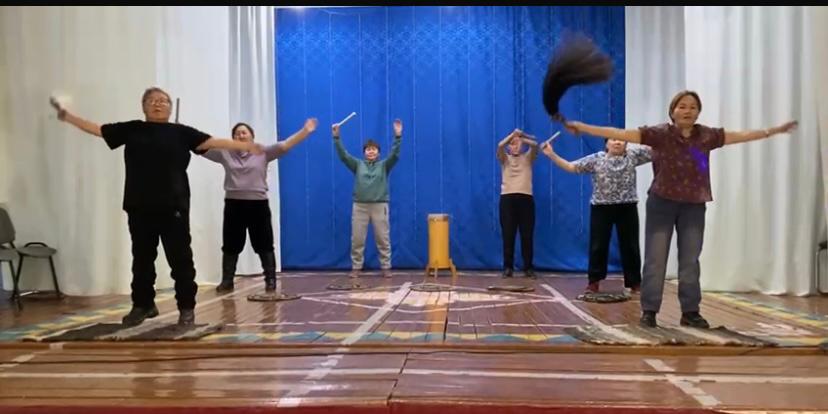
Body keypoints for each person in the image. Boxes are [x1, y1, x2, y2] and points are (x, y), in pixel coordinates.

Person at [563, 90, 798, 328]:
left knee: (690, 261)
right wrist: (584, 127)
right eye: (682, 106)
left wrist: (771, 131)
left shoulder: (706, 136)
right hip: (661, 203)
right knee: (655, 259)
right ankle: (649, 311)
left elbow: (738, 136)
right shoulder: (659, 134)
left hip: (694, 205)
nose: (688, 111)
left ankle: (690, 312)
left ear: (698, 112)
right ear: (673, 111)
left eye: (693, 107)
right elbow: (621, 134)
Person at [50, 87, 263, 327]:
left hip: (174, 207)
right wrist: (68, 117)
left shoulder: (181, 132)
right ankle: (143, 305)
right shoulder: (132, 129)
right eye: (151, 101)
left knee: (181, 261)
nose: (157, 104)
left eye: (163, 101)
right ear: (143, 106)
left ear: (170, 107)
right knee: (142, 260)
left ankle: (186, 308)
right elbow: (99, 130)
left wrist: (244, 145)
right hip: (139, 206)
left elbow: (212, 141)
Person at [203, 118, 318, 293]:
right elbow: (202, 148)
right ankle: (227, 280)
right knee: (231, 244)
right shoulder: (225, 153)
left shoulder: (263, 152)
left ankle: (270, 280)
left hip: (258, 205)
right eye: (237, 134)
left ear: (252, 136)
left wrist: (305, 131)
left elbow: (285, 145)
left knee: (264, 243)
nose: (241, 136)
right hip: (234, 205)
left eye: (244, 132)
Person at [542, 137, 651, 293]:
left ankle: (635, 283)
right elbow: (572, 167)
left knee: (630, 245)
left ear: (626, 143)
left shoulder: (633, 155)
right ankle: (594, 282)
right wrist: (551, 154)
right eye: (613, 139)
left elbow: (658, 150)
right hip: (601, 207)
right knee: (598, 245)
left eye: (621, 140)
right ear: (606, 143)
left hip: (627, 206)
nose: (617, 142)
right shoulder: (596, 159)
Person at [333, 119, 402, 279]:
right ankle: (356, 267)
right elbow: (344, 156)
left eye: (374, 149)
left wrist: (398, 137)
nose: (371, 152)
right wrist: (336, 138)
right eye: (368, 149)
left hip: (380, 206)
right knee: (357, 239)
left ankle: (386, 267)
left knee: (383, 238)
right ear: (364, 152)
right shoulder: (357, 165)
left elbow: (395, 155)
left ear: (378, 152)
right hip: (360, 206)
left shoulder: (384, 165)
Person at [496, 129, 539, 278]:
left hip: (526, 199)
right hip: (507, 199)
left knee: (527, 235)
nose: (515, 146)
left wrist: (522, 137)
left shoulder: (527, 157)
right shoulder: (505, 158)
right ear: (509, 146)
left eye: (517, 144)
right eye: (512, 144)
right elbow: (500, 145)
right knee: (508, 234)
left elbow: (535, 145)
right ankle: (508, 267)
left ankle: (528, 268)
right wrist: (512, 136)